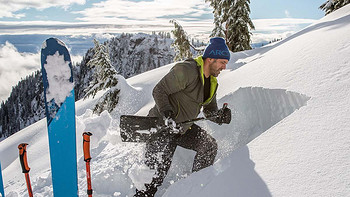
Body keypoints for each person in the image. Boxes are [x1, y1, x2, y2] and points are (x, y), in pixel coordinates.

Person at [134, 37, 232, 197]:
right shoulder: (188, 71)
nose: (224, 66)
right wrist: (167, 113)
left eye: (225, 63)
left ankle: (196, 188)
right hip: (161, 127)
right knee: (153, 178)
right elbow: (159, 90)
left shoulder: (212, 83)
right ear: (211, 58)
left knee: (209, 146)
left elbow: (209, 111)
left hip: (183, 128)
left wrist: (220, 117)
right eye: (222, 62)